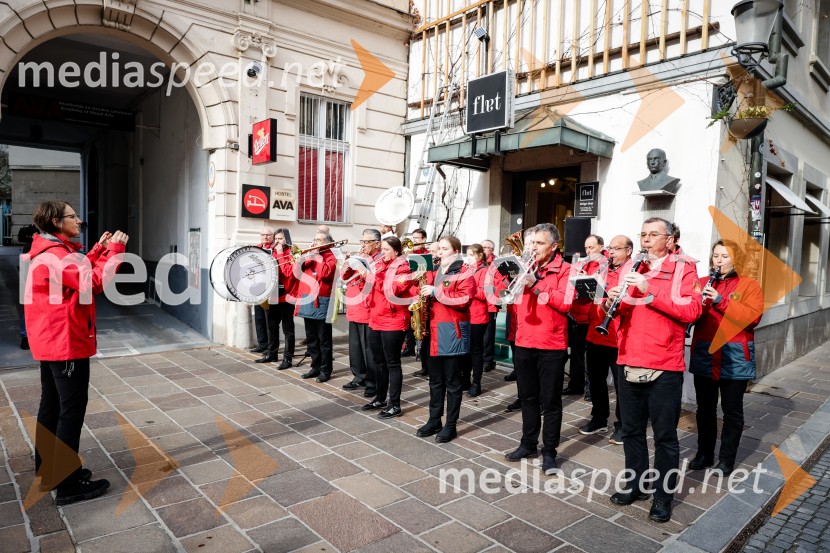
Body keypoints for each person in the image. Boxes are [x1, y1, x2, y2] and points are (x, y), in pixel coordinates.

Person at [25, 200, 127, 505]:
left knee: (52, 405)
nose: (79, 220)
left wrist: (97, 250)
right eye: (73, 216)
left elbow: (77, 271)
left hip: (52, 339)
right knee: (70, 409)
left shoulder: (50, 250)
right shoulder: (57, 255)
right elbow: (93, 282)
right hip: (65, 341)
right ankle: (66, 484)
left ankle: (48, 471)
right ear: (57, 222)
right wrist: (116, 252)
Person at [607, 217, 701, 523]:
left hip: (664, 363)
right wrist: (607, 301)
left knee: (664, 437)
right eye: (643, 234)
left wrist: (650, 290)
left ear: (670, 239)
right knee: (632, 431)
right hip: (628, 358)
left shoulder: (684, 268)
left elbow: (692, 311)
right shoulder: (631, 266)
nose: (646, 240)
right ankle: (635, 484)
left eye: (653, 235)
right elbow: (617, 312)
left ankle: (663, 496)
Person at [688, 240, 763, 476]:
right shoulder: (700, 283)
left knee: (732, 411)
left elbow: (752, 318)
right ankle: (704, 453)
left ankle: (727, 458)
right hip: (705, 353)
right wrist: (695, 309)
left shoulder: (749, 285)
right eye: (715, 256)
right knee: (705, 409)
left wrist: (720, 301)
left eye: (724, 256)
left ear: (735, 260)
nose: (718, 261)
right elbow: (689, 314)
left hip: (735, 356)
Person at [503, 223, 572, 474]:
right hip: (524, 340)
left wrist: (535, 284)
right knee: (527, 398)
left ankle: (550, 451)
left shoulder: (566, 269)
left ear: (554, 246)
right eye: (531, 243)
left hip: (551, 344)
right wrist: (510, 277)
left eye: (539, 243)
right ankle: (528, 443)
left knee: (550, 402)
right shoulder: (524, 267)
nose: (533, 248)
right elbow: (506, 296)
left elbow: (565, 303)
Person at [417, 236, 474, 443]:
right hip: (432, 331)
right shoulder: (435, 271)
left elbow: (464, 300)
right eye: (438, 249)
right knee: (435, 381)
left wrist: (436, 291)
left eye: (444, 248)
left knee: (452, 382)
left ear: (456, 251)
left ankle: (451, 425)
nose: (439, 252)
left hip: (451, 330)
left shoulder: (465, 272)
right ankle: (434, 419)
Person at [581, 235, 632, 445]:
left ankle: (622, 426)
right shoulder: (603, 268)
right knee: (596, 381)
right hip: (595, 331)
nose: (611, 253)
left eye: (616, 249)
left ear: (628, 251)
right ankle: (599, 417)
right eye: (610, 249)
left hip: (618, 338)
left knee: (622, 387)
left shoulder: (632, 271)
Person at [363, 236, 414, 418]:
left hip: (393, 320)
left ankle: (395, 404)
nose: (382, 253)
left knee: (393, 363)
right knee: (378, 362)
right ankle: (380, 398)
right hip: (376, 318)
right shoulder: (379, 265)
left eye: (385, 250)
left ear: (396, 251)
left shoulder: (404, 268)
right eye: (382, 249)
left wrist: (370, 276)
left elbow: (392, 290)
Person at [341, 229, 383, 392]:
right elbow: (345, 277)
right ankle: (359, 376)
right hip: (354, 307)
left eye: (367, 242)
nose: (363, 245)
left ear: (377, 244)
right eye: (362, 242)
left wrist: (363, 268)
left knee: (369, 350)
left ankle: (373, 382)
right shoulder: (361, 257)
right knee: (355, 347)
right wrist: (347, 263)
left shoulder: (379, 259)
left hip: (368, 308)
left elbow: (376, 281)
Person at [565, 234, 606, 400]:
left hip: (593, 315)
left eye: (592, 247)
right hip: (578, 315)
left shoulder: (606, 264)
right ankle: (576, 385)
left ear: (601, 247)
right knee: (576, 353)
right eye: (586, 248)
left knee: (591, 357)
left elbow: (602, 290)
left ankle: (590, 388)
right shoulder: (583, 262)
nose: (588, 251)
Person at [293, 231, 337, 382]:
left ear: (327, 242)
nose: (315, 242)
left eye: (318, 240)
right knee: (311, 338)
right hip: (307, 299)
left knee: (324, 339)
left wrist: (316, 256)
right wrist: (302, 258)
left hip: (322, 301)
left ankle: (326, 369)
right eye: (315, 239)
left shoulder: (331, 257)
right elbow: (297, 272)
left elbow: (325, 273)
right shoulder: (311, 256)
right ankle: (315, 367)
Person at [263, 229, 297, 370]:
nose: (277, 241)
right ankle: (272, 353)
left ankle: (287, 358)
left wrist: (281, 254)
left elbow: (288, 273)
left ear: (287, 239)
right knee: (272, 326)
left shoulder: (292, 253)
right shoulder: (271, 253)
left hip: (287, 296)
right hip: (274, 296)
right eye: (276, 238)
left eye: (280, 238)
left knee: (288, 330)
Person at [463, 244, 489, 397]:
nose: (469, 258)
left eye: (472, 255)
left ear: (480, 255)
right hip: (465, 314)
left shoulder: (485, 271)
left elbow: (485, 294)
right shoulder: (467, 269)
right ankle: (465, 379)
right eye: (467, 254)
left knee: (475, 351)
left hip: (478, 316)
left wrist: (469, 285)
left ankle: (476, 383)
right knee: (465, 350)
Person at [412, 241, 440, 378]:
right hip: (423, 304)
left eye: (434, 252)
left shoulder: (439, 267)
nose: (432, 254)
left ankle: (432, 369)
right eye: (430, 251)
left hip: (434, 307)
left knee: (431, 341)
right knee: (423, 338)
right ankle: (424, 366)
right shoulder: (427, 265)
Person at [252, 226, 275, 357]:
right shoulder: (256, 248)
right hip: (257, 287)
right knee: (259, 317)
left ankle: (270, 346)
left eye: (268, 235)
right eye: (263, 235)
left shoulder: (275, 249)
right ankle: (262, 344)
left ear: (272, 236)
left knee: (269, 320)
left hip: (270, 288)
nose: (265, 237)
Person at [17, 223, 37, 350]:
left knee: (27, 310)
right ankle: (27, 337)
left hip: (27, 282)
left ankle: (25, 338)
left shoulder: (26, 247)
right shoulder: (32, 247)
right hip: (32, 282)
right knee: (31, 311)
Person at [480, 239, 498, 373]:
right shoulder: (477, 263)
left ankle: (488, 360)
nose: (483, 249)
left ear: (491, 250)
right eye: (482, 247)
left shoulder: (496, 263)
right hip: (478, 303)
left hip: (490, 303)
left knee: (488, 335)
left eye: (486, 247)